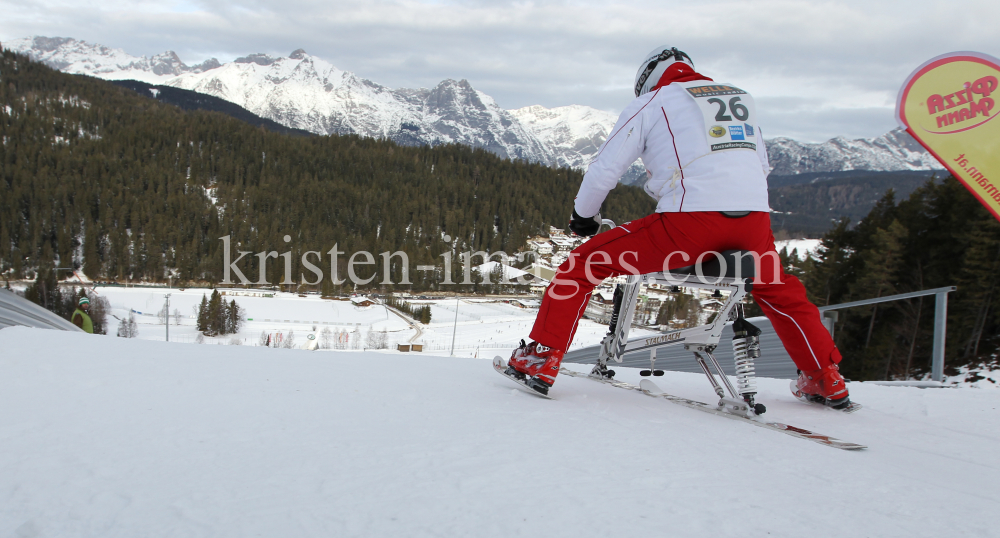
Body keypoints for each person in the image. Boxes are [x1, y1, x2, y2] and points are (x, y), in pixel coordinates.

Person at [506, 46, 849, 408]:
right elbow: (760, 165)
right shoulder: (739, 99)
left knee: (582, 265)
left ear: (646, 79)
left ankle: (540, 360)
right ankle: (824, 378)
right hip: (754, 222)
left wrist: (583, 217)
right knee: (781, 291)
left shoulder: (654, 101)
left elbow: (604, 170)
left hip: (689, 224)